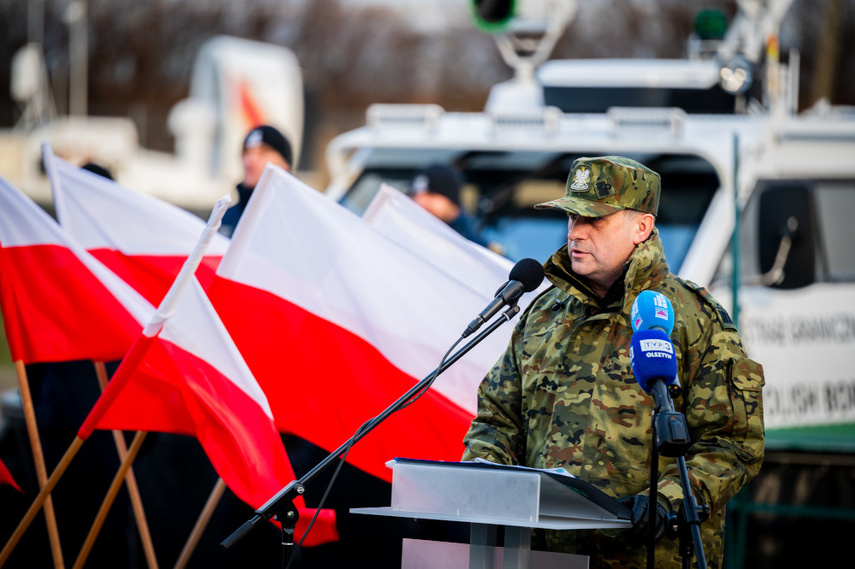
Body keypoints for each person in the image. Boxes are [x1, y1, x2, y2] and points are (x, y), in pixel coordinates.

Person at [461, 156, 765, 568]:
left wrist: (666, 501)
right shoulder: (544, 312)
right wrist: (485, 479)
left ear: (641, 227)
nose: (576, 233)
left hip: (645, 558)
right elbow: (497, 418)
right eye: (571, 218)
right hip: (539, 557)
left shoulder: (693, 317)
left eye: (595, 221)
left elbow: (732, 444)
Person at [220, 124, 292, 237]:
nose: (251, 160)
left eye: (263, 152)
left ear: (285, 164)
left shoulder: (295, 220)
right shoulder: (223, 220)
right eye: (247, 152)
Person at [408, 163, 490, 248]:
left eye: (431, 195)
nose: (420, 202)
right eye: (415, 195)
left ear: (450, 200)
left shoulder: (477, 248)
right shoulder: (410, 236)